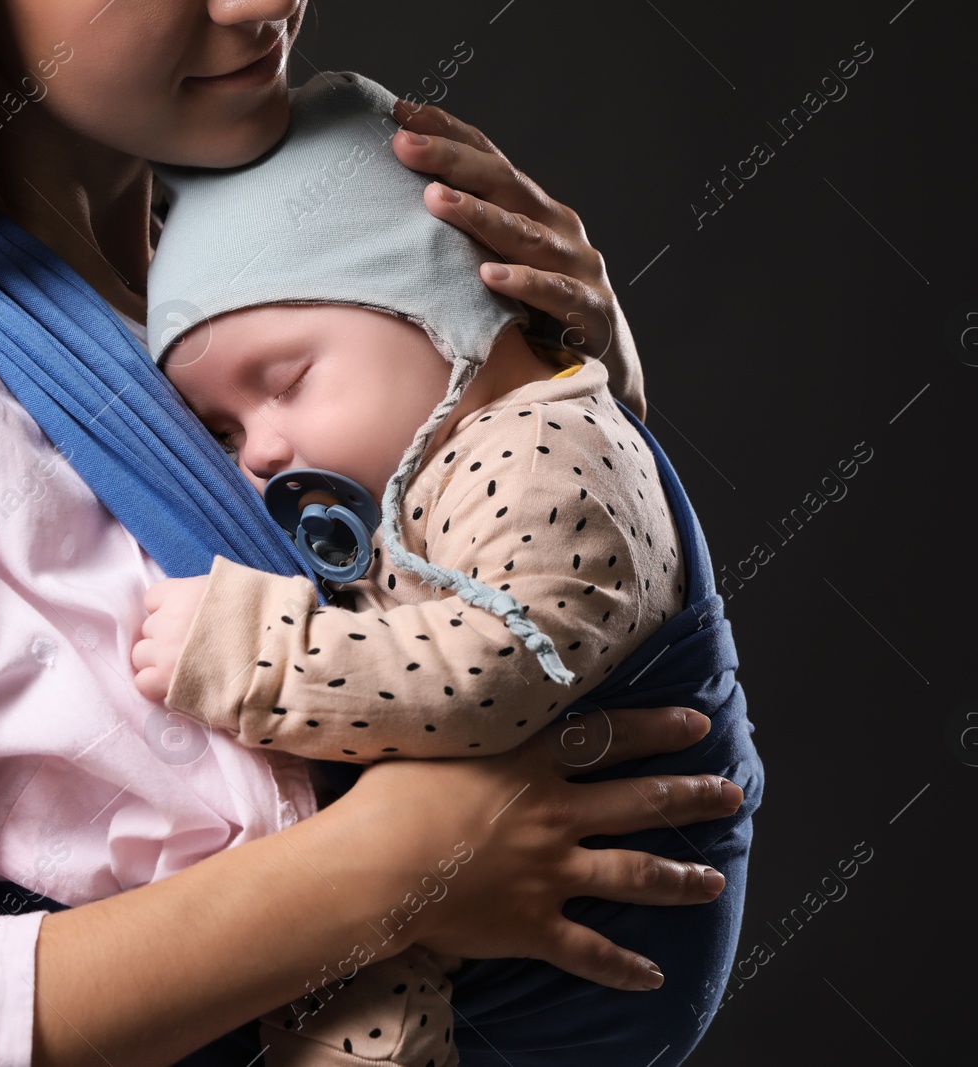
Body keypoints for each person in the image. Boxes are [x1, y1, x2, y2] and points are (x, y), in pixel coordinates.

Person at [0, 2, 753, 1066]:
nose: (261, 2)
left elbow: (514, 616)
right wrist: (384, 868)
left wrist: (557, 390)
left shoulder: (276, 286)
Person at [125, 71, 752, 1067]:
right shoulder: (435, 465)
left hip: (581, 969)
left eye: (283, 382)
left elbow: (496, 669)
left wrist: (255, 651)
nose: (257, 450)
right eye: (224, 428)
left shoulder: (540, 446)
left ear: (444, 316)